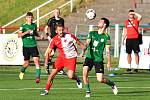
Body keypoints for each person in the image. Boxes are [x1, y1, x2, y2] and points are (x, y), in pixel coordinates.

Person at [40, 24, 84, 95]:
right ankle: (46, 90)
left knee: (70, 76)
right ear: (56, 31)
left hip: (71, 58)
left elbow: (81, 44)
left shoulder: (69, 36)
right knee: (51, 75)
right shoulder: (54, 39)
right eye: (59, 30)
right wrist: (46, 62)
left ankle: (77, 79)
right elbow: (48, 52)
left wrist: (82, 52)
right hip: (61, 58)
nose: (61, 32)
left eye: (62, 30)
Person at [80, 18, 118, 97]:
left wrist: (109, 62)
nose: (98, 22)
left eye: (101, 21)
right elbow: (87, 43)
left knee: (100, 79)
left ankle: (112, 84)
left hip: (98, 59)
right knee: (84, 71)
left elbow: (107, 51)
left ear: (104, 25)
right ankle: (88, 91)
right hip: (89, 57)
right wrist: (84, 50)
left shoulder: (106, 37)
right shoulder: (92, 33)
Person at [18, 12, 44, 83]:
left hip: (33, 46)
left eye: (31, 17)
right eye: (29, 17)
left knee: (36, 61)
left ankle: (37, 77)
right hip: (26, 47)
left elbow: (35, 33)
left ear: (33, 18)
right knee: (26, 63)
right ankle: (22, 71)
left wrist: (40, 36)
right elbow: (19, 35)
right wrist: (26, 32)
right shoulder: (23, 26)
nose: (30, 19)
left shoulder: (34, 25)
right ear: (26, 18)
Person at [44, 8, 66, 75]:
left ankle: (60, 68)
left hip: (60, 39)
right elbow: (46, 29)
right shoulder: (51, 20)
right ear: (54, 12)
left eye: (58, 12)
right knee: (51, 53)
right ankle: (47, 66)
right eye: (55, 12)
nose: (56, 13)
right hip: (53, 39)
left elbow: (62, 29)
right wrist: (48, 36)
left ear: (59, 13)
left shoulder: (62, 20)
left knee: (63, 53)